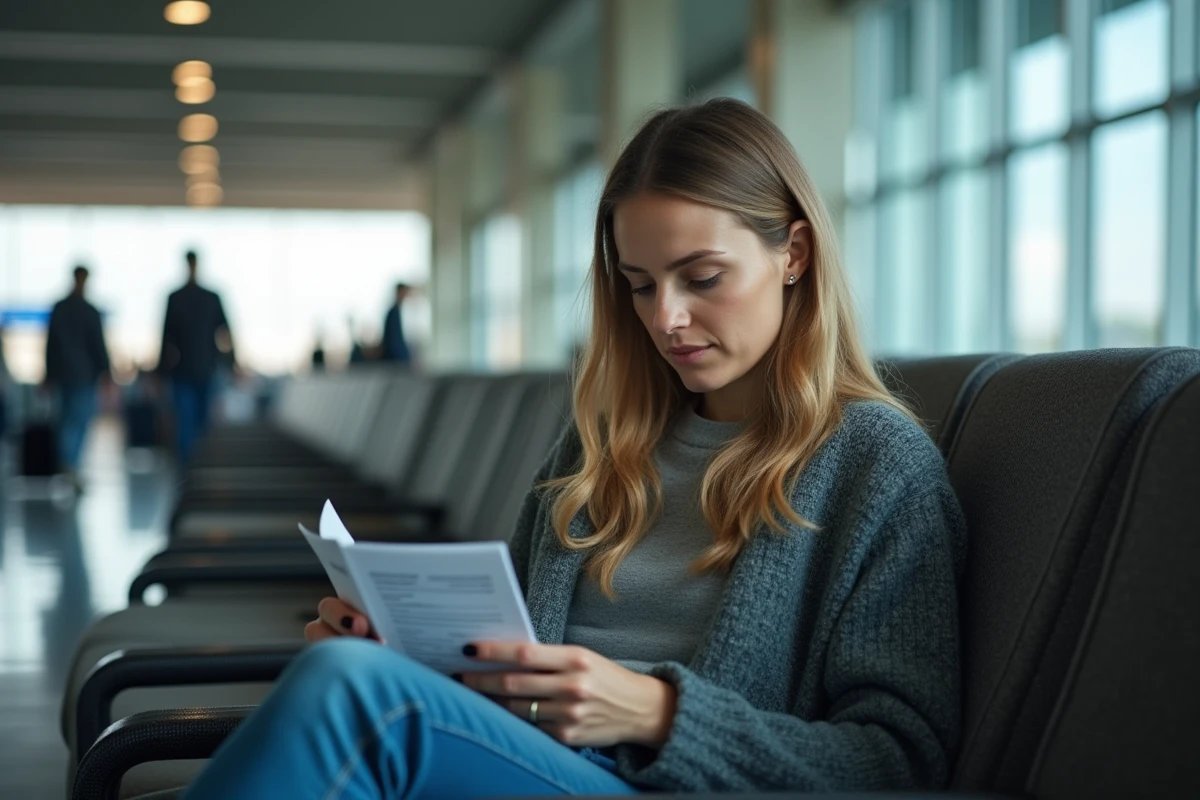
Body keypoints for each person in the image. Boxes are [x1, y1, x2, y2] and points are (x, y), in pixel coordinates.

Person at [184, 99, 965, 798]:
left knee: (353, 698)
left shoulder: (878, 466)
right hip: (535, 757)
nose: (665, 318)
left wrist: (660, 715)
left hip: (670, 781)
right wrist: (415, 653)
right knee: (354, 678)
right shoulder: (602, 444)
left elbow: (900, 759)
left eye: (702, 277)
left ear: (793, 253)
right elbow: (514, 658)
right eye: (640, 284)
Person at [157, 250, 235, 462]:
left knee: (197, 423)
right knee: (190, 423)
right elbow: (166, 338)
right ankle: (193, 467)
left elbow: (225, 333)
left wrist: (231, 363)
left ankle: (196, 466)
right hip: (192, 370)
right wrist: (231, 363)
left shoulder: (180, 298)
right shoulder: (204, 298)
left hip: (199, 370)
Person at [43, 266, 110, 486]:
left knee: (67, 422)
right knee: (78, 422)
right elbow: (98, 345)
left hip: (65, 375)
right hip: (83, 377)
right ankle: (70, 466)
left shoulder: (60, 308)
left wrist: (48, 374)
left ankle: (68, 465)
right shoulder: (89, 311)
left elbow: (51, 345)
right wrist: (106, 372)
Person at [380, 282, 413, 365]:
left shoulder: (398, 311)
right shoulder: (393, 313)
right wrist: (404, 357)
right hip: (395, 359)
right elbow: (394, 340)